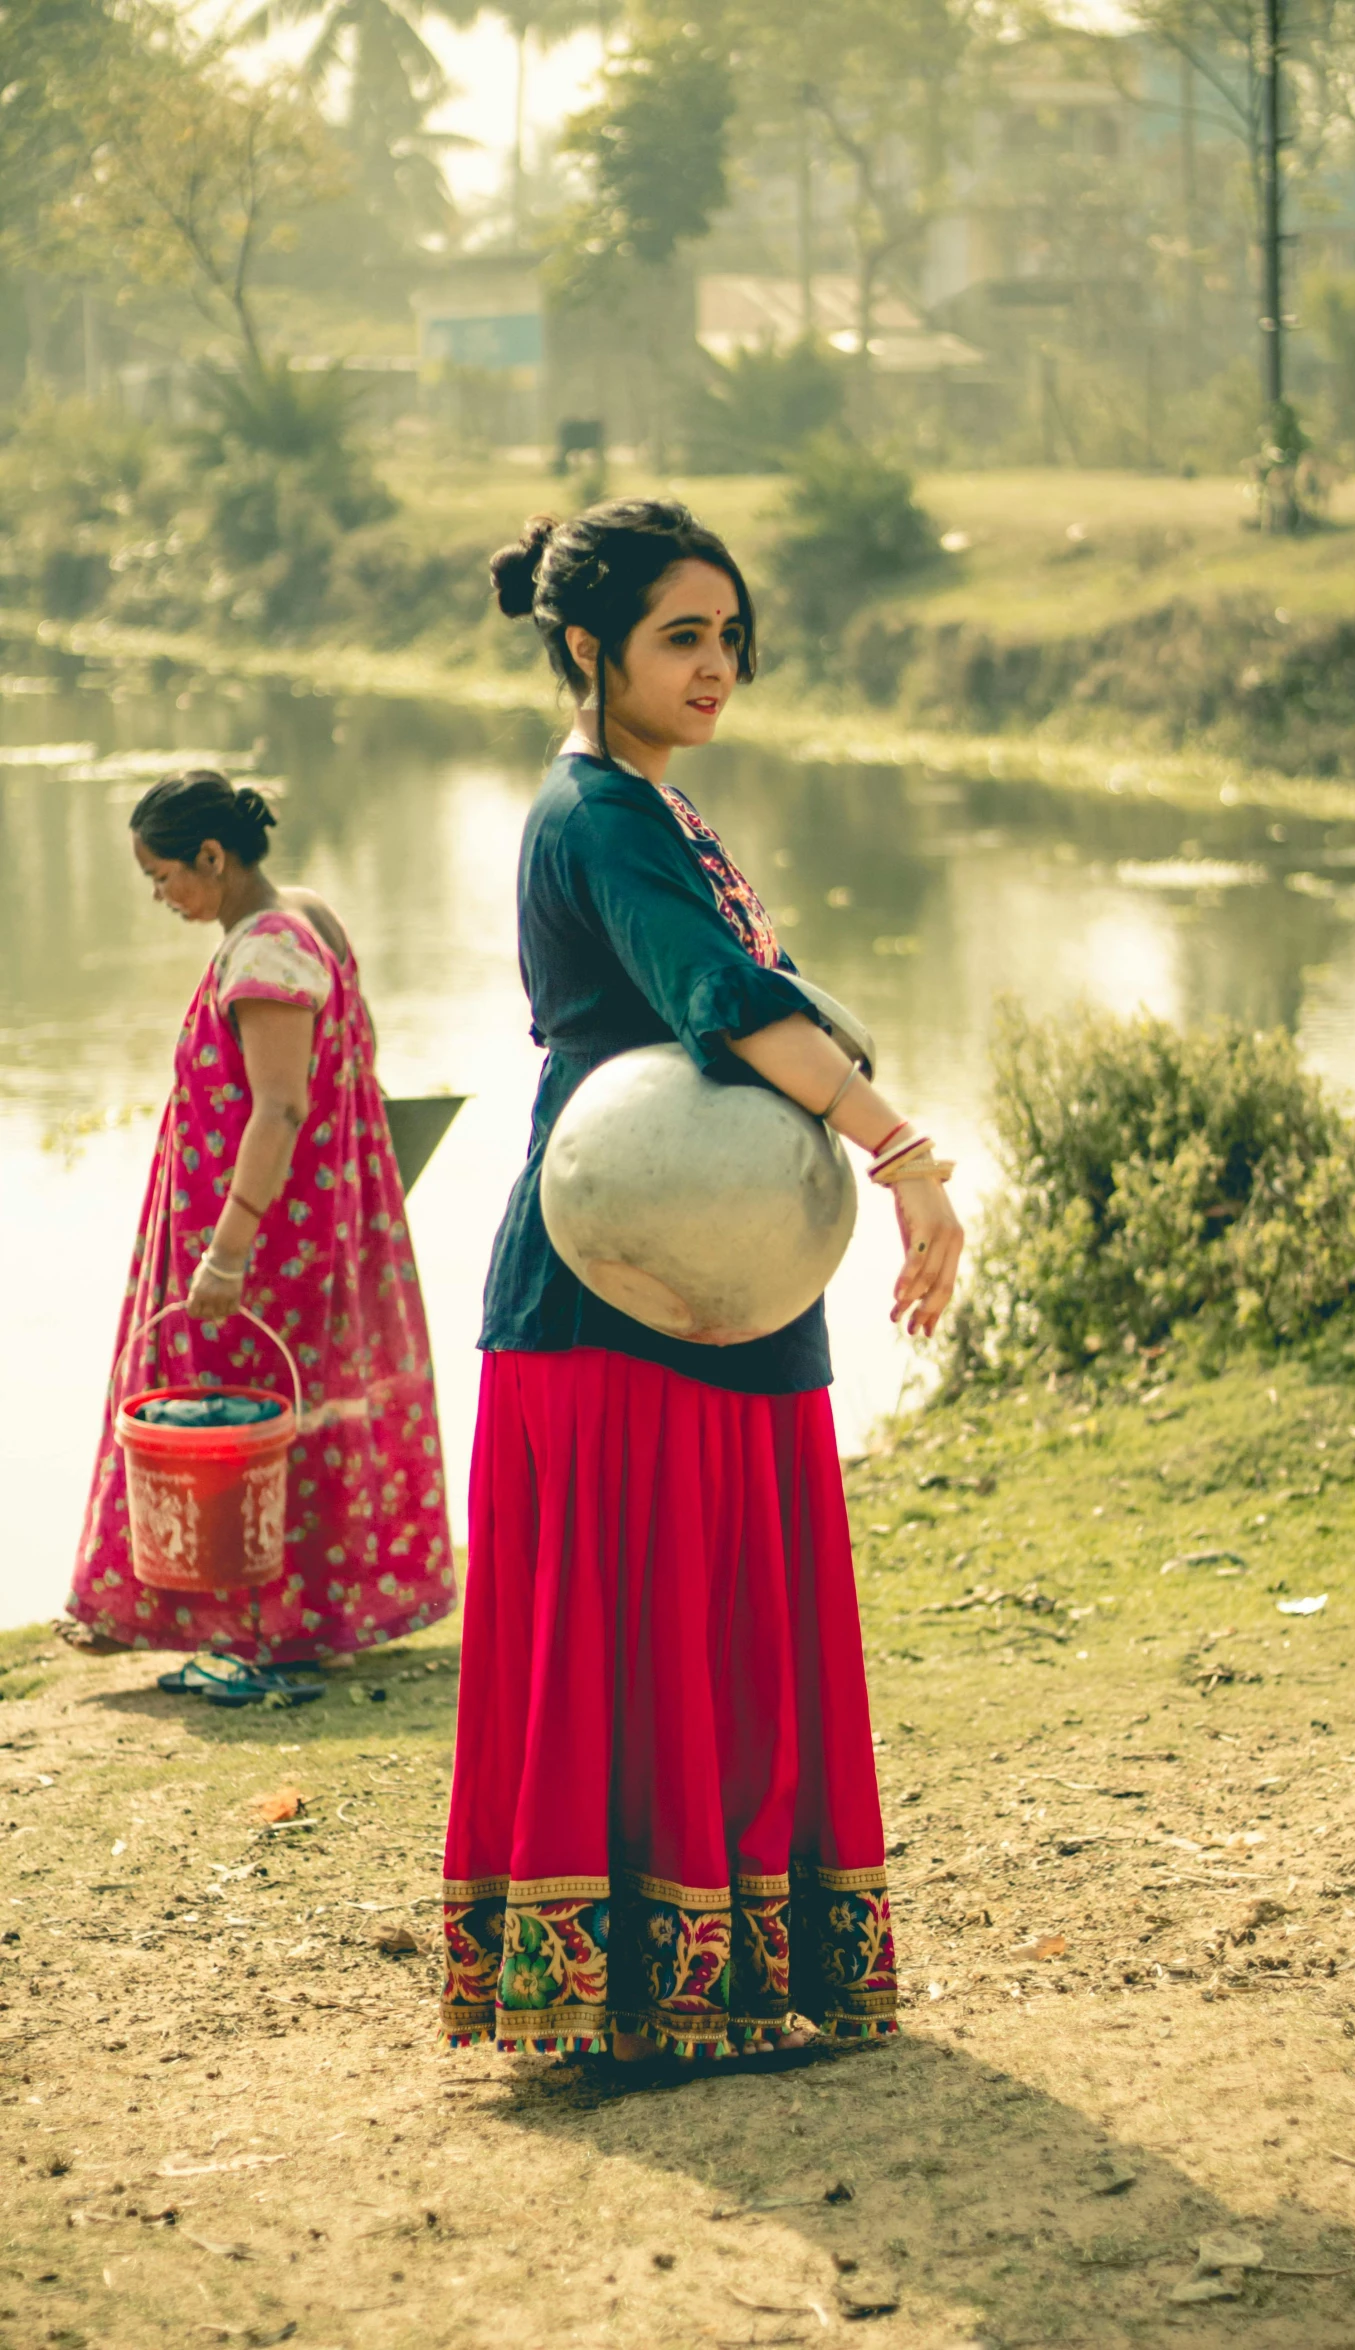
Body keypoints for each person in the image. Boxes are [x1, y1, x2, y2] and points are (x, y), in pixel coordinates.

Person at [441, 501, 963, 2061]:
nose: (718, 664)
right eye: (683, 635)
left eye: (730, 635)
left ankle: (738, 1973)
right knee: (651, 1622)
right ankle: (635, 2000)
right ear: (589, 645)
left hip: (725, 1265)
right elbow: (722, 1001)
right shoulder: (594, 814)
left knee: (732, 1614)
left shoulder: (662, 810)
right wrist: (903, 1153)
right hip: (615, 1280)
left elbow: (750, 1004)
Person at [66, 770, 454, 1671]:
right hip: (302, 1221)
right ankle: (283, 1618)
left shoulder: (267, 957)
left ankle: (255, 1624)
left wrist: (228, 1253)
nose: (160, 896)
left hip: (266, 1237)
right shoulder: (306, 916)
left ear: (214, 855)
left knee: (241, 1425)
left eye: (165, 875)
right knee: (290, 1410)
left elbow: (279, 1109)